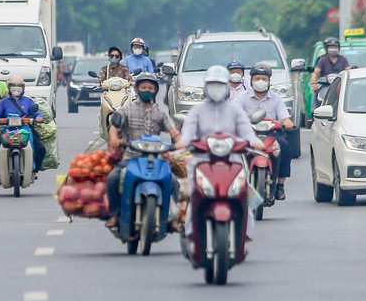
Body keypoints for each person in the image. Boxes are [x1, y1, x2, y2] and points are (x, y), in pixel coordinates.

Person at [178, 65, 264, 237]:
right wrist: (183, 142)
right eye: (212, 85)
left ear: (226, 86)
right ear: (205, 87)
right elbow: (188, 131)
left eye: (219, 85)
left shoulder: (235, 110)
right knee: (193, 196)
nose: (215, 89)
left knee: (243, 196)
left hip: (232, 159)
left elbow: (246, 130)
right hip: (201, 160)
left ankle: (244, 235)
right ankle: (190, 234)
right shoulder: (197, 110)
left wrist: (254, 141)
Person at [106, 72, 181, 229]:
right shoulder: (127, 110)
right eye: (143, 87)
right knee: (113, 178)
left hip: (155, 159)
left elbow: (174, 133)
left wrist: (180, 143)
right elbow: (114, 126)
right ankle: (115, 214)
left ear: (155, 91)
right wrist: (114, 139)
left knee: (173, 182)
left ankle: (171, 216)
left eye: (150, 87)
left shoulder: (160, 114)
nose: (147, 90)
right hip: (130, 157)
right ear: (137, 89)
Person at [235, 61, 296, 200]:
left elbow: (285, 118)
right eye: (257, 79)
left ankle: (280, 185)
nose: (260, 82)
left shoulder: (276, 99)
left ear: (269, 81)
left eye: (264, 79)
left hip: (271, 135)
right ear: (250, 80)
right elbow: (236, 116)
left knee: (285, 147)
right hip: (249, 135)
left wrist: (287, 123)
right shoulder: (241, 98)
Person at [0, 78, 46, 174]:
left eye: (19, 87)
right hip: (7, 130)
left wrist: (39, 117)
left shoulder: (28, 101)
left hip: (25, 129)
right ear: (9, 88)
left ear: (23, 88)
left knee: (41, 148)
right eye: (13, 87)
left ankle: (34, 170)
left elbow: (37, 113)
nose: (16, 90)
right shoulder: (3, 102)